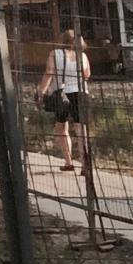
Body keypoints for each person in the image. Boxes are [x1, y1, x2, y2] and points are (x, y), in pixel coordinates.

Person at [42, 27, 90, 170]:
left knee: (61, 127)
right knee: (81, 129)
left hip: (61, 94)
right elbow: (87, 75)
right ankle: (85, 163)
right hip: (80, 92)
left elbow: (49, 73)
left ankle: (68, 162)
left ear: (63, 40)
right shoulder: (83, 56)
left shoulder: (55, 54)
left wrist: (41, 91)